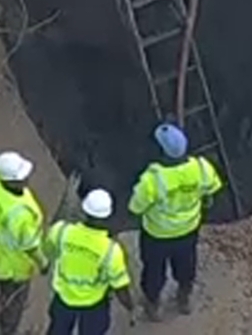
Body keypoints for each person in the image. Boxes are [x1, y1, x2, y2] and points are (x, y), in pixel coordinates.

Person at [127, 122, 223, 319]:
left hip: (157, 234)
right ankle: (184, 299)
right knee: (186, 264)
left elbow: (135, 207)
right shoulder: (201, 168)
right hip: (188, 230)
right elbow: (211, 191)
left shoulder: (153, 179)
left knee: (153, 271)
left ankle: (153, 306)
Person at [43, 189, 134, 335]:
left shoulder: (60, 231)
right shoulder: (111, 250)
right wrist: (129, 305)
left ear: (84, 211)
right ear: (108, 216)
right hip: (93, 305)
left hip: (63, 299)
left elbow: (47, 252)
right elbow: (120, 286)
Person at [0, 151, 48, 335]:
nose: (26, 179)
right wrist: (43, 263)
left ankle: (5, 315)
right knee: (15, 300)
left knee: (5, 294)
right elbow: (30, 246)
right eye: (21, 177)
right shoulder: (20, 215)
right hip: (15, 265)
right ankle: (9, 330)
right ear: (10, 181)